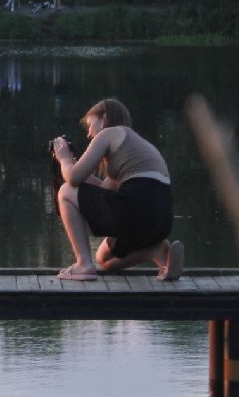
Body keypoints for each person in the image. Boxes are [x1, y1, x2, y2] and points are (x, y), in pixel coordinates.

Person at [49, 97, 184, 283]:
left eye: (90, 125)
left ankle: (82, 264)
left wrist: (64, 159)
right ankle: (156, 252)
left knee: (65, 191)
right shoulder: (132, 146)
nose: (89, 134)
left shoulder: (109, 133)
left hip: (136, 209)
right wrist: (74, 165)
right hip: (161, 219)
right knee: (103, 258)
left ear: (104, 118)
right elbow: (104, 191)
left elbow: (72, 179)